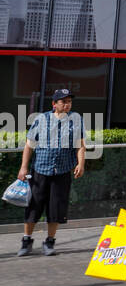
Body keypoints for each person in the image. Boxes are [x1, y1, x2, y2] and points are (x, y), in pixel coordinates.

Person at [17, 89, 85, 256]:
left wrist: (81, 164)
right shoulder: (41, 119)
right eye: (63, 101)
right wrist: (23, 167)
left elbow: (80, 145)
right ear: (54, 104)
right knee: (33, 206)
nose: (67, 104)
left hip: (62, 172)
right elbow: (29, 144)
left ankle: (49, 242)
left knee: (56, 209)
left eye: (69, 101)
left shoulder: (76, 120)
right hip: (40, 169)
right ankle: (26, 241)